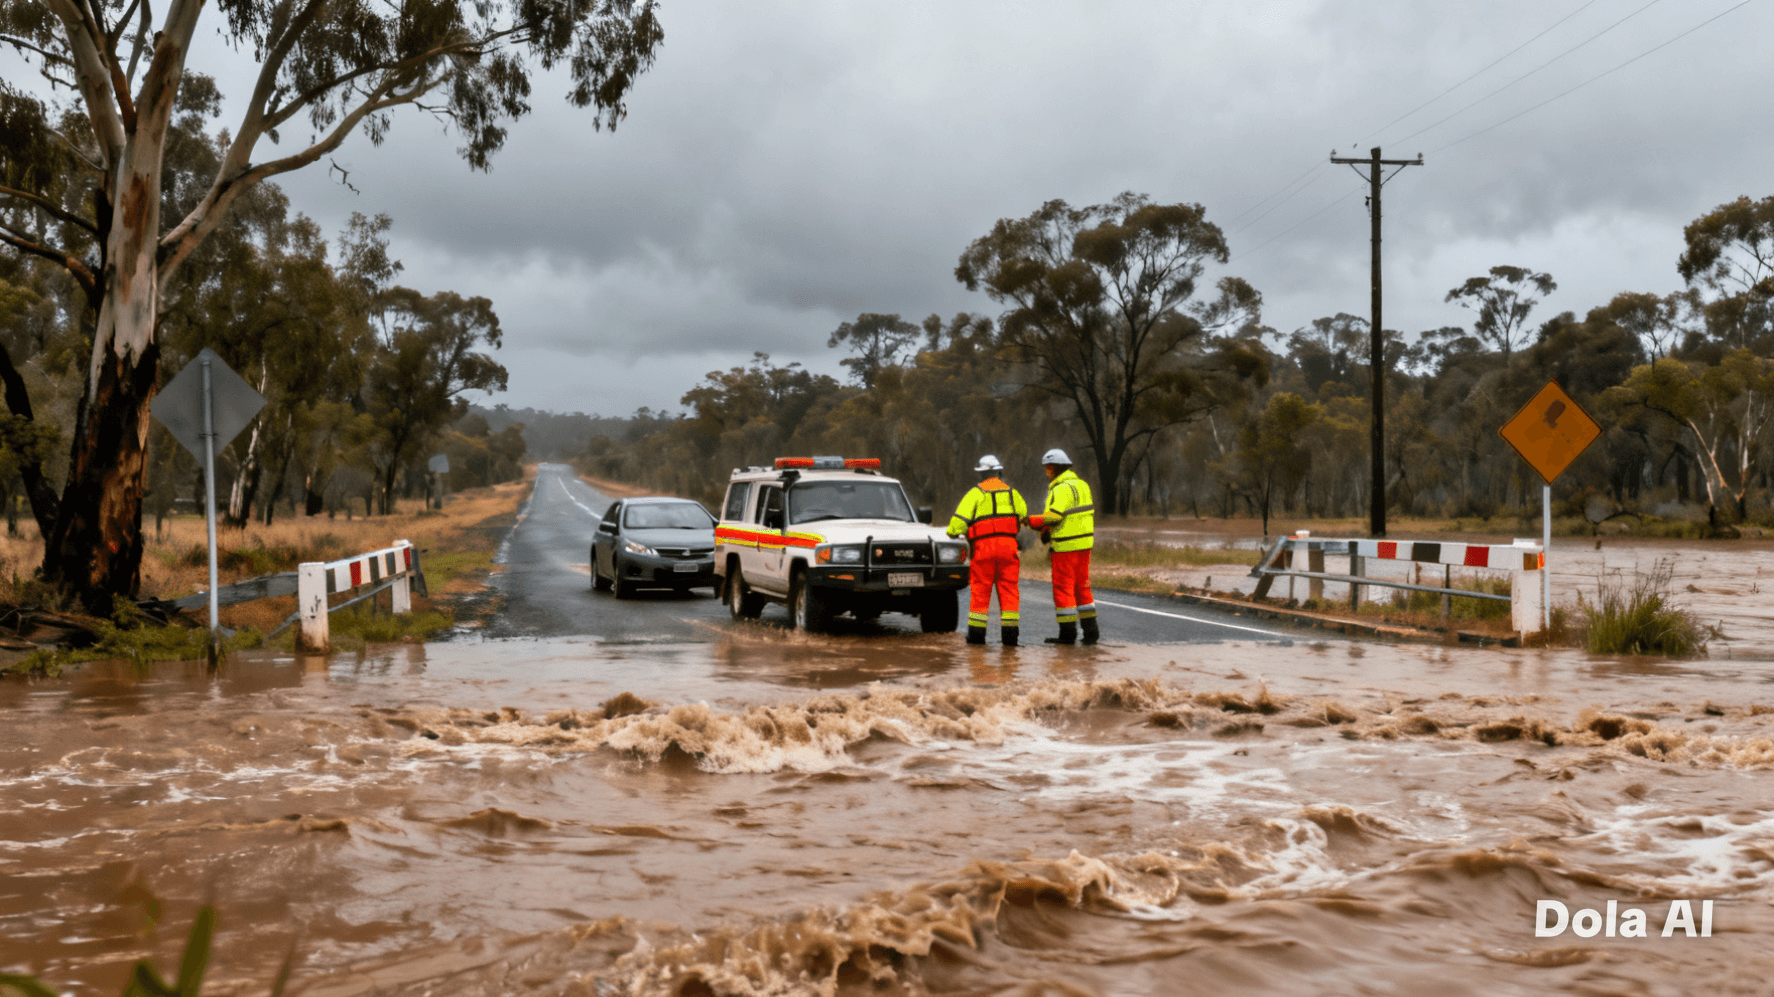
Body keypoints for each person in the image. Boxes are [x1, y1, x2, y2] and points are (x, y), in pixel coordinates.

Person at [946, 454, 1029, 646]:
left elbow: (956, 526)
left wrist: (952, 533)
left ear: (981, 474)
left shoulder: (975, 494)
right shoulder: (1012, 494)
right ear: (998, 472)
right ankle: (1010, 638)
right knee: (1009, 592)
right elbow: (1024, 516)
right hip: (1009, 549)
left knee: (980, 592)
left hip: (983, 550)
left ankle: (976, 637)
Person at [1027, 448, 1097, 645]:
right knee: (1082, 587)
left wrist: (1031, 520)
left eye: (1048, 468)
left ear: (1056, 468)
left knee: (1063, 589)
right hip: (1084, 545)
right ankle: (1091, 633)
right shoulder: (1082, 485)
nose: (1047, 472)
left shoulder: (1060, 488)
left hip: (1065, 547)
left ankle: (1067, 635)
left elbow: (1055, 517)